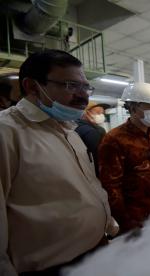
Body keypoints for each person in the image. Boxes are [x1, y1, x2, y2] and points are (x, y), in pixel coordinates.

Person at [0, 49, 117, 276]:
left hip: (94, 253)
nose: (84, 96)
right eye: (71, 86)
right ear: (33, 87)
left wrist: (108, 227)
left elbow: (85, 188)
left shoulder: (67, 129)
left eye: (85, 87)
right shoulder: (7, 132)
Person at [98, 83, 150, 234]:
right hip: (135, 216)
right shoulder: (114, 139)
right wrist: (127, 223)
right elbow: (111, 186)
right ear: (133, 107)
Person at [75, 102, 110, 176]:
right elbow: (98, 156)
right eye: (98, 112)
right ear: (86, 112)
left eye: (102, 113)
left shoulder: (76, 125)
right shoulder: (91, 131)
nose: (101, 115)